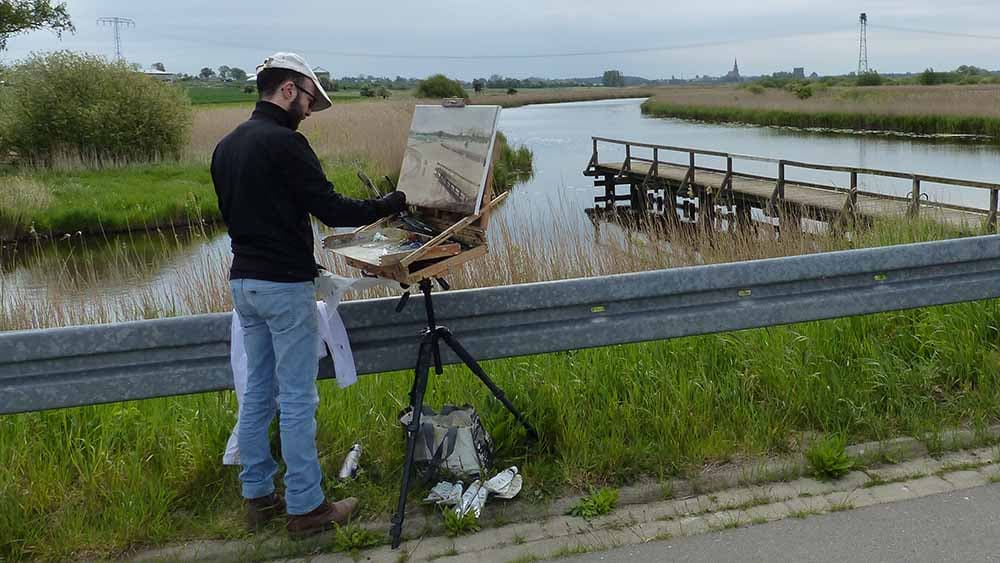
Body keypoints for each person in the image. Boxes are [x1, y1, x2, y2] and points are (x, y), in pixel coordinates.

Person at [210, 52, 407, 537]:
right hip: (282, 286)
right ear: (289, 89)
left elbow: (248, 217)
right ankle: (307, 507)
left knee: (258, 392)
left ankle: (258, 498)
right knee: (297, 398)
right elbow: (333, 210)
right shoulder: (285, 144)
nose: (310, 111)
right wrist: (391, 203)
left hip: (244, 284)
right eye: (310, 99)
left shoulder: (226, 146)